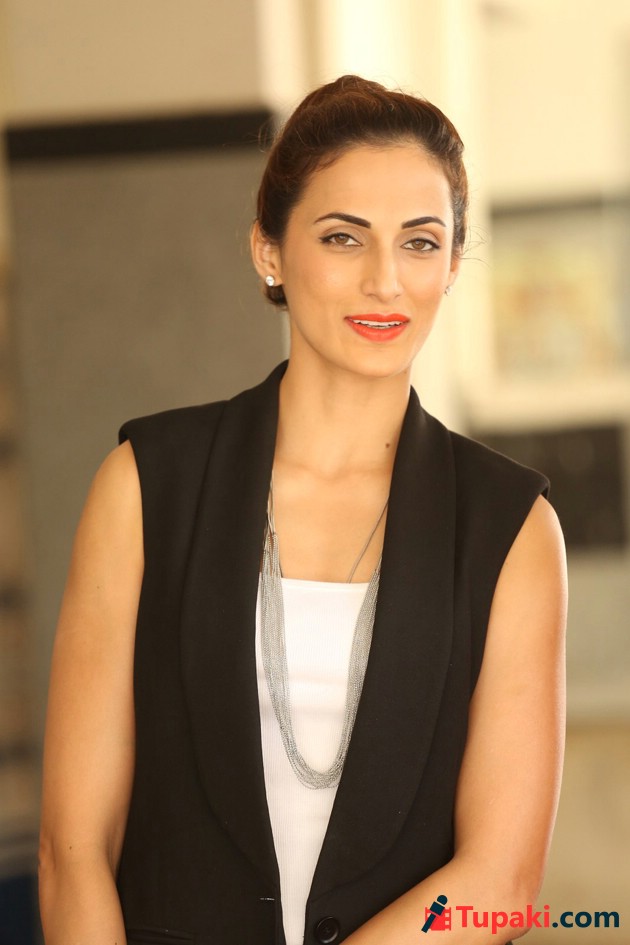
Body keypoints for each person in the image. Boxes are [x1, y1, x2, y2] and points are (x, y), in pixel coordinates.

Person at [38, 75, 567, 945]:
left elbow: (503, 879)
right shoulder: (146, 485)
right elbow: (74, 848)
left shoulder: (509, 527)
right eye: (342, 237)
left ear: (452, 265)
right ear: (270, 251)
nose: (385, 281)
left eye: (420, 242)